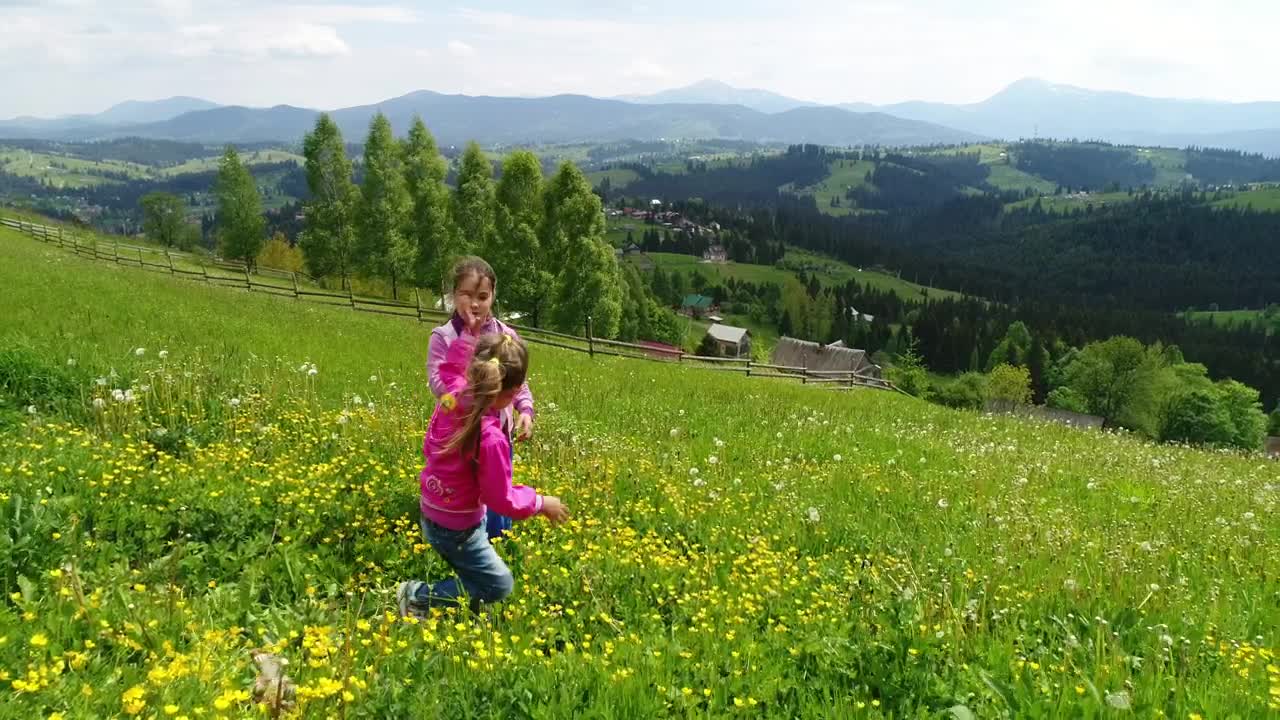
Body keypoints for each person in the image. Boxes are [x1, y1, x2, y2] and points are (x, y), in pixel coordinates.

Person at [399, 330, 568, 616]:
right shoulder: (490, 438)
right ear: (512, 394)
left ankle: (470, 606)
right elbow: (500, 499)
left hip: (432, 510)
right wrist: (541, 502)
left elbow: (429, 445)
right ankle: (418, 596)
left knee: (476, 574)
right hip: (458, 527)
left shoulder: (450, 402)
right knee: (497, 585)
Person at [426, 256, 535, 540]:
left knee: (499, 487)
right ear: (453, 295)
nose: (475, 304)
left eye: (483, 296)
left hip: (499, 433)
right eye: (467, 295)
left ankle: (499, 543)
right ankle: (463, 538)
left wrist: (524, 409)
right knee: (465, 494)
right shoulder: (444, 336)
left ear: (493, 296)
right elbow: (438, 383)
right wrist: (467, 398)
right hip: (461, 436)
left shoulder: (505, 335)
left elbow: (518, 381)